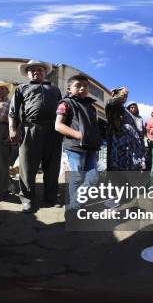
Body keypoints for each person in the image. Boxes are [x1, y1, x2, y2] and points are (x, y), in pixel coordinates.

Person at [9, 60, 63, 213]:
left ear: (45, 73)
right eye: (32, 70)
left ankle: (51, 197)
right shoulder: (21, 88)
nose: (36, 72)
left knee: (52, 167)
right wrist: (13, 129)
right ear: (27, 73)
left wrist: (62, 131)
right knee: (27, 167)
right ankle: (27, 199)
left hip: (53, 131)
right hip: (30, 129)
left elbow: (62, 111)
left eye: (39, 69)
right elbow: (13, 111)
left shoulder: (54, 90)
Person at [55, 75, 101, 211]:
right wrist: (78, 135)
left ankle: (73, 205)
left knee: (93, 178)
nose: (82, 88)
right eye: (78, 85)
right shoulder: (66, 103)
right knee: (77, 178)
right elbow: (58, 125)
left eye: (85, 86)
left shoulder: (91, 107)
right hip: (75, 147)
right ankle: (74, 208)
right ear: (69, 89)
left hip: (91, 148)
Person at [105, 87, 145, 171]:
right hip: (117, 145)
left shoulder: (126, 111)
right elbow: (111, 103)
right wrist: (120, 95)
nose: (124, 97)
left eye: (126, 96)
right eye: (123, 95)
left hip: (128, 147)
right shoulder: (112, 105)